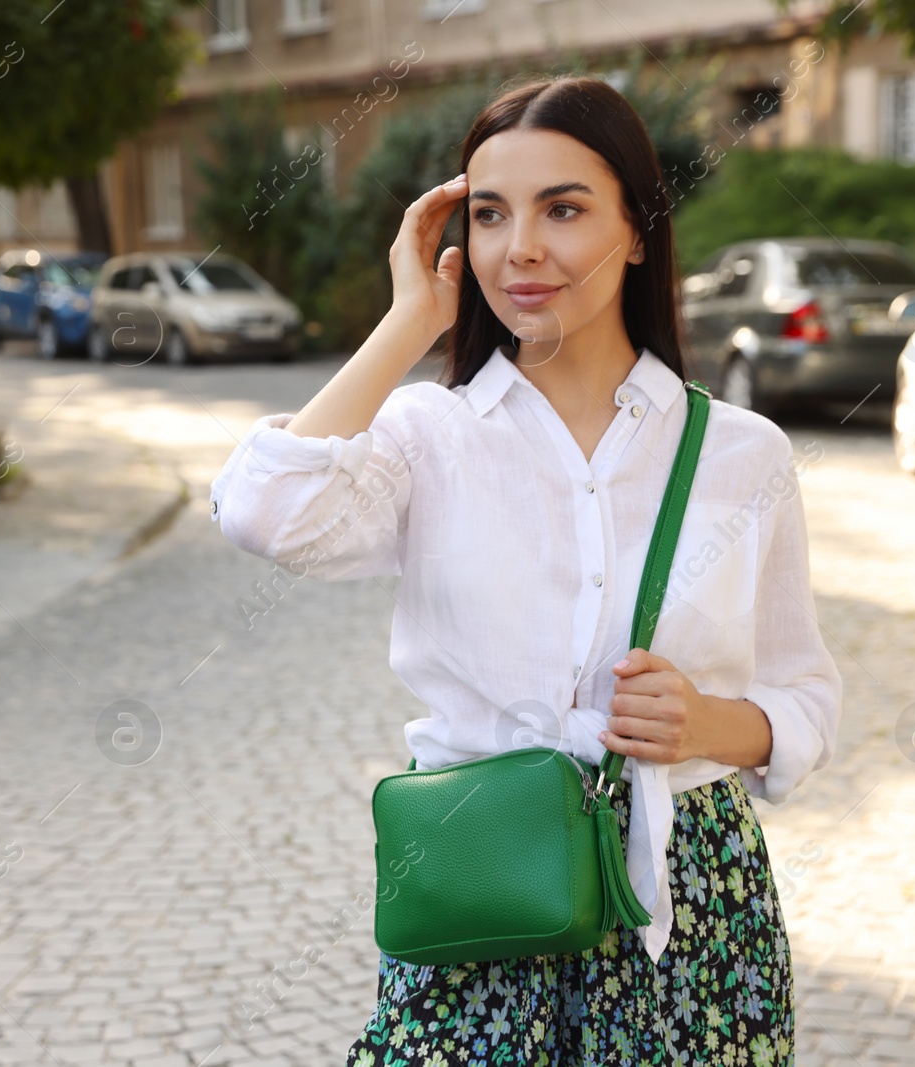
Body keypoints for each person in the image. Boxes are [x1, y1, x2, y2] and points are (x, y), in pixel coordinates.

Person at [208, 74, 842, 1066]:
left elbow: (803, 693)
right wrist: (407, 324)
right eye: (493, 213)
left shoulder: (741, 453)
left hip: (687, 902)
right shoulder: (428, 434)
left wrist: (705, 723)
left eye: (565, 209)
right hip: (476, 879)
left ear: (638, 230)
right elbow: (261, 511)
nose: (522, 248)